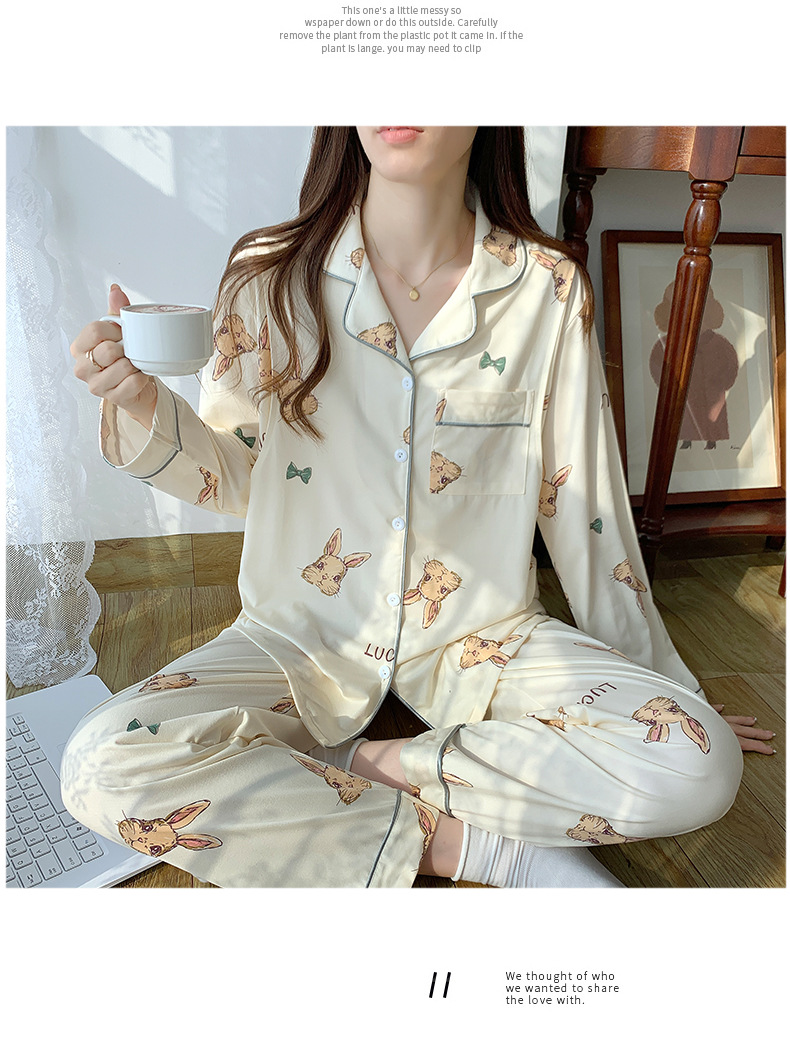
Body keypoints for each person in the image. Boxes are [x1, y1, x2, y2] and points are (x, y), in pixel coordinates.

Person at [63, 127, 773, 889]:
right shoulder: (268, 276)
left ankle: (348, 765)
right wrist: (141, 404)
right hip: (298, 635)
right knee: (99, 762)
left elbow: (587, 511)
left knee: (699, 762)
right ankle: (488, 851)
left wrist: (669, 695)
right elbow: (237, 476)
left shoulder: (545, 290)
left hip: (485, 641)